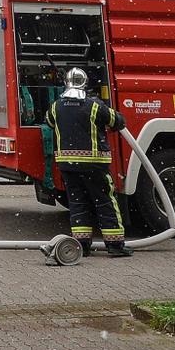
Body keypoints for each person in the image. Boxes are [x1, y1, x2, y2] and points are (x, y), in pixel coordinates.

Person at [45, 67, 132, 258]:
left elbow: (49, 122)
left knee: (77, 203)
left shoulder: (55, 106)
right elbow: (117, 121)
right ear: (85, 84)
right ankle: (115, 244)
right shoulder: (94, 106)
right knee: (105, 201)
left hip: (67, 164)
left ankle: (82, 244)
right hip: (94, 164)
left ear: (66, 83)